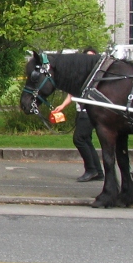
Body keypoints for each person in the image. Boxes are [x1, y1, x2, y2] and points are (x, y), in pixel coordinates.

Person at [51, 47, 104, 182]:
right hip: (81, 110)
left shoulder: (97, 76)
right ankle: (98, 171)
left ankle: (91, 170)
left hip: (89, 111)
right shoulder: (81, 74)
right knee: (86, 140)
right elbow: (72, 93)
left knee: (79, 139)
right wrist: (62, 106)